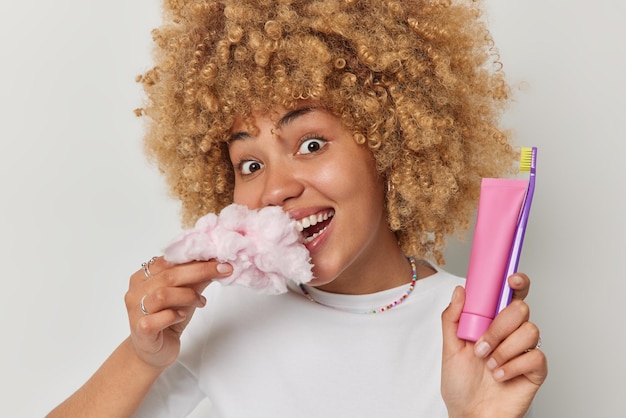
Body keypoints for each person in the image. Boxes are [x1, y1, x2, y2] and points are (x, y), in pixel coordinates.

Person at [48, 0, 548, 416]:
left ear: (388, 144)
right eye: (248, 164)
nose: (273, 190)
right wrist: (140, 357)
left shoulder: (472, 324)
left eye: (310, 144)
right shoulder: (218, 310)